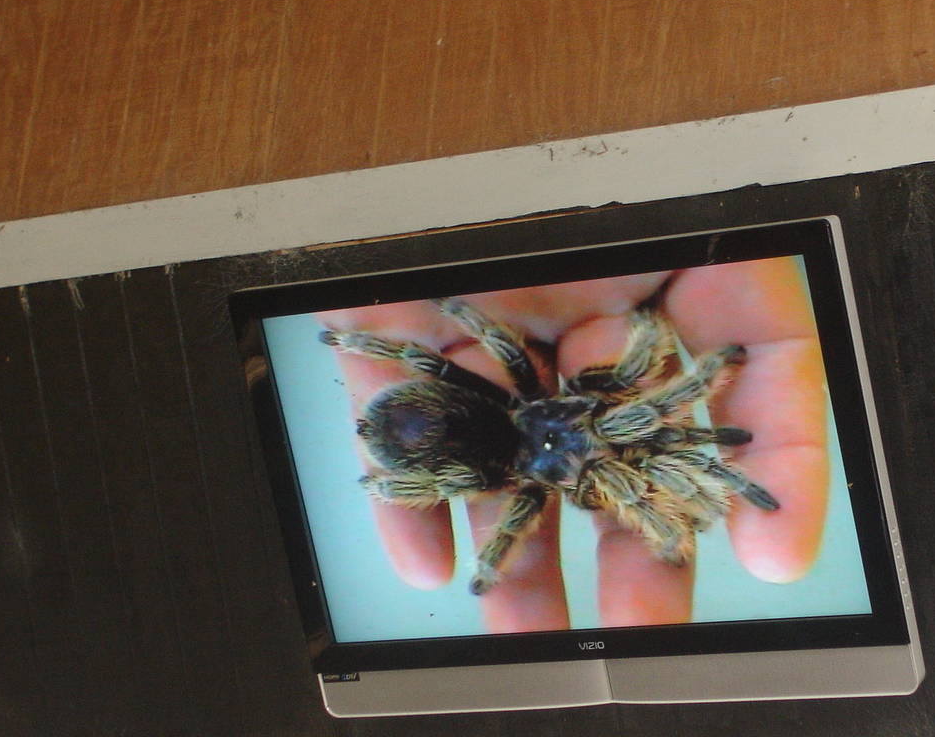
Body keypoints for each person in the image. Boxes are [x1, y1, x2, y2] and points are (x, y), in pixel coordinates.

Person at [318, 257, 829, 633]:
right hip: (448, 432)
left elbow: (633, 389)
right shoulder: (555, 460)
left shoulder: (537, 405)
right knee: (477, 447)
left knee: (456, 382)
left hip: (476, 421)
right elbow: (635, 435)